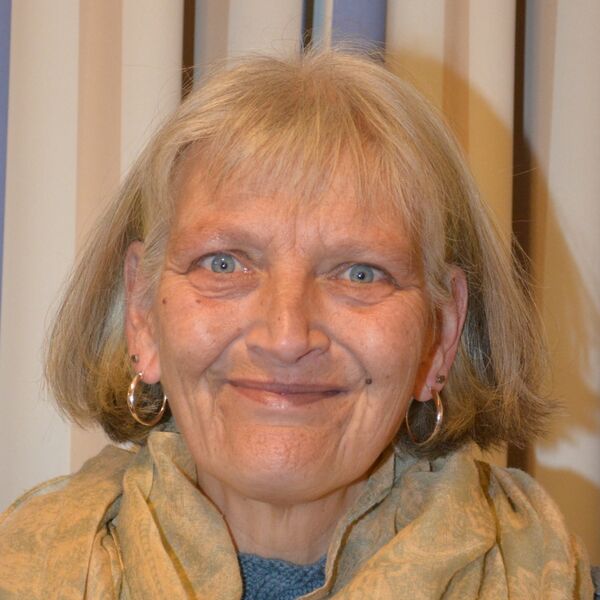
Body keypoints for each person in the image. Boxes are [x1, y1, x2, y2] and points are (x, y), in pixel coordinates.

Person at [0, 50, 593, 599]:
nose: (286, 338)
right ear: (141, 313)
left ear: (440, 335)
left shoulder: (549, 578)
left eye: (360, 273)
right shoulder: (27, 572)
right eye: (224, 263)